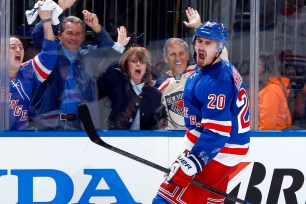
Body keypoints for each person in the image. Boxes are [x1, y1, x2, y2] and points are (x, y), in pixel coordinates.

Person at [152, 21, 250, 203]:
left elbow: (217, 132)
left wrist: (194, 161)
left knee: (165, 199)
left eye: (209, 43)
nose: (202, 47)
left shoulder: (217, 81)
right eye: (200, 41)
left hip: (216, 153)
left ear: (220, 48)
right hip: (222, 152)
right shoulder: (212, 70)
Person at [29, 7, 130, 130]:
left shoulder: (88, 54)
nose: (74, 38)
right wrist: (56, 11)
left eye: (78, 34)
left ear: (83, 37)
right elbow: (38, 36)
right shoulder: (51, 54)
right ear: (60, 35)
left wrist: (96, 27)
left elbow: (108, 48)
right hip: (51, 124)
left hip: (82, 124)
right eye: (70, 33)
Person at [9, 8, 58, 130]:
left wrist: (46, 21)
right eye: (12, 47)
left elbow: (49, 55)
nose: (18, 50)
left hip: (21, 138)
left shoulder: (27, 71)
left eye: (20, 47)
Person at [97, 46, 167, 130]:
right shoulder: (117, 85)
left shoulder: (155, 95)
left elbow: (156, 125)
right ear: (126, 65)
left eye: (142, 62)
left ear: (146, 67)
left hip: (143, 141)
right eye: (133, 61)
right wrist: (118, 47)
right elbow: (104, 72)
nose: (138, 64)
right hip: (115, 139)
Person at [258, 52, 292, 130]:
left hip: (273, 136)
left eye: (258, 64)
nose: (253, 67)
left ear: (265, 67)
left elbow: (267, 127)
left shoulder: (270, 91)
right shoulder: (274, 87)